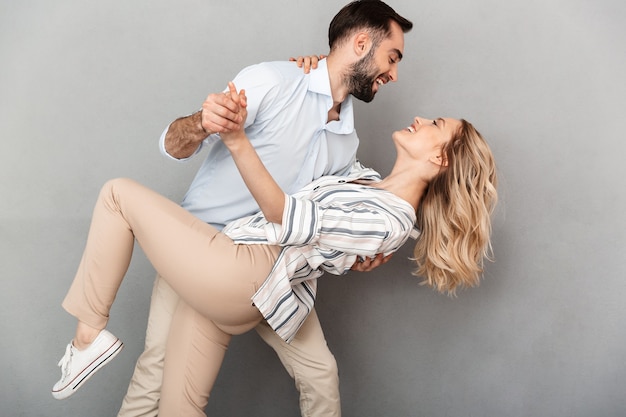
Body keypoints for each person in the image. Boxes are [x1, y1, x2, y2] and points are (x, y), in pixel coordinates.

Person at [51, 82, 498, 417]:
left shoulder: (390, 218)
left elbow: (288, 216)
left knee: (116, 195)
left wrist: (237, 139)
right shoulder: (367, 182)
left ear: (440, 159)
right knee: (178, 407)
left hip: (242, 271)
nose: (422, 119)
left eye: (436, 125)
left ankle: (89, 335)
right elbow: (324, 183)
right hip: (242, 277)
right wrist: (310, 71)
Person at [117, 1, 414, 416]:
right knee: (156, 372)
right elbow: (172, 145)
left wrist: (356, 254)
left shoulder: (347, 143)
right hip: (201, 250)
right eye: (392, 57)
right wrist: (205, 122)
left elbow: (324, 217)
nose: (393, 74)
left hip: (271, 269)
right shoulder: (273, 80)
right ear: (362, 43)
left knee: (321, 374)